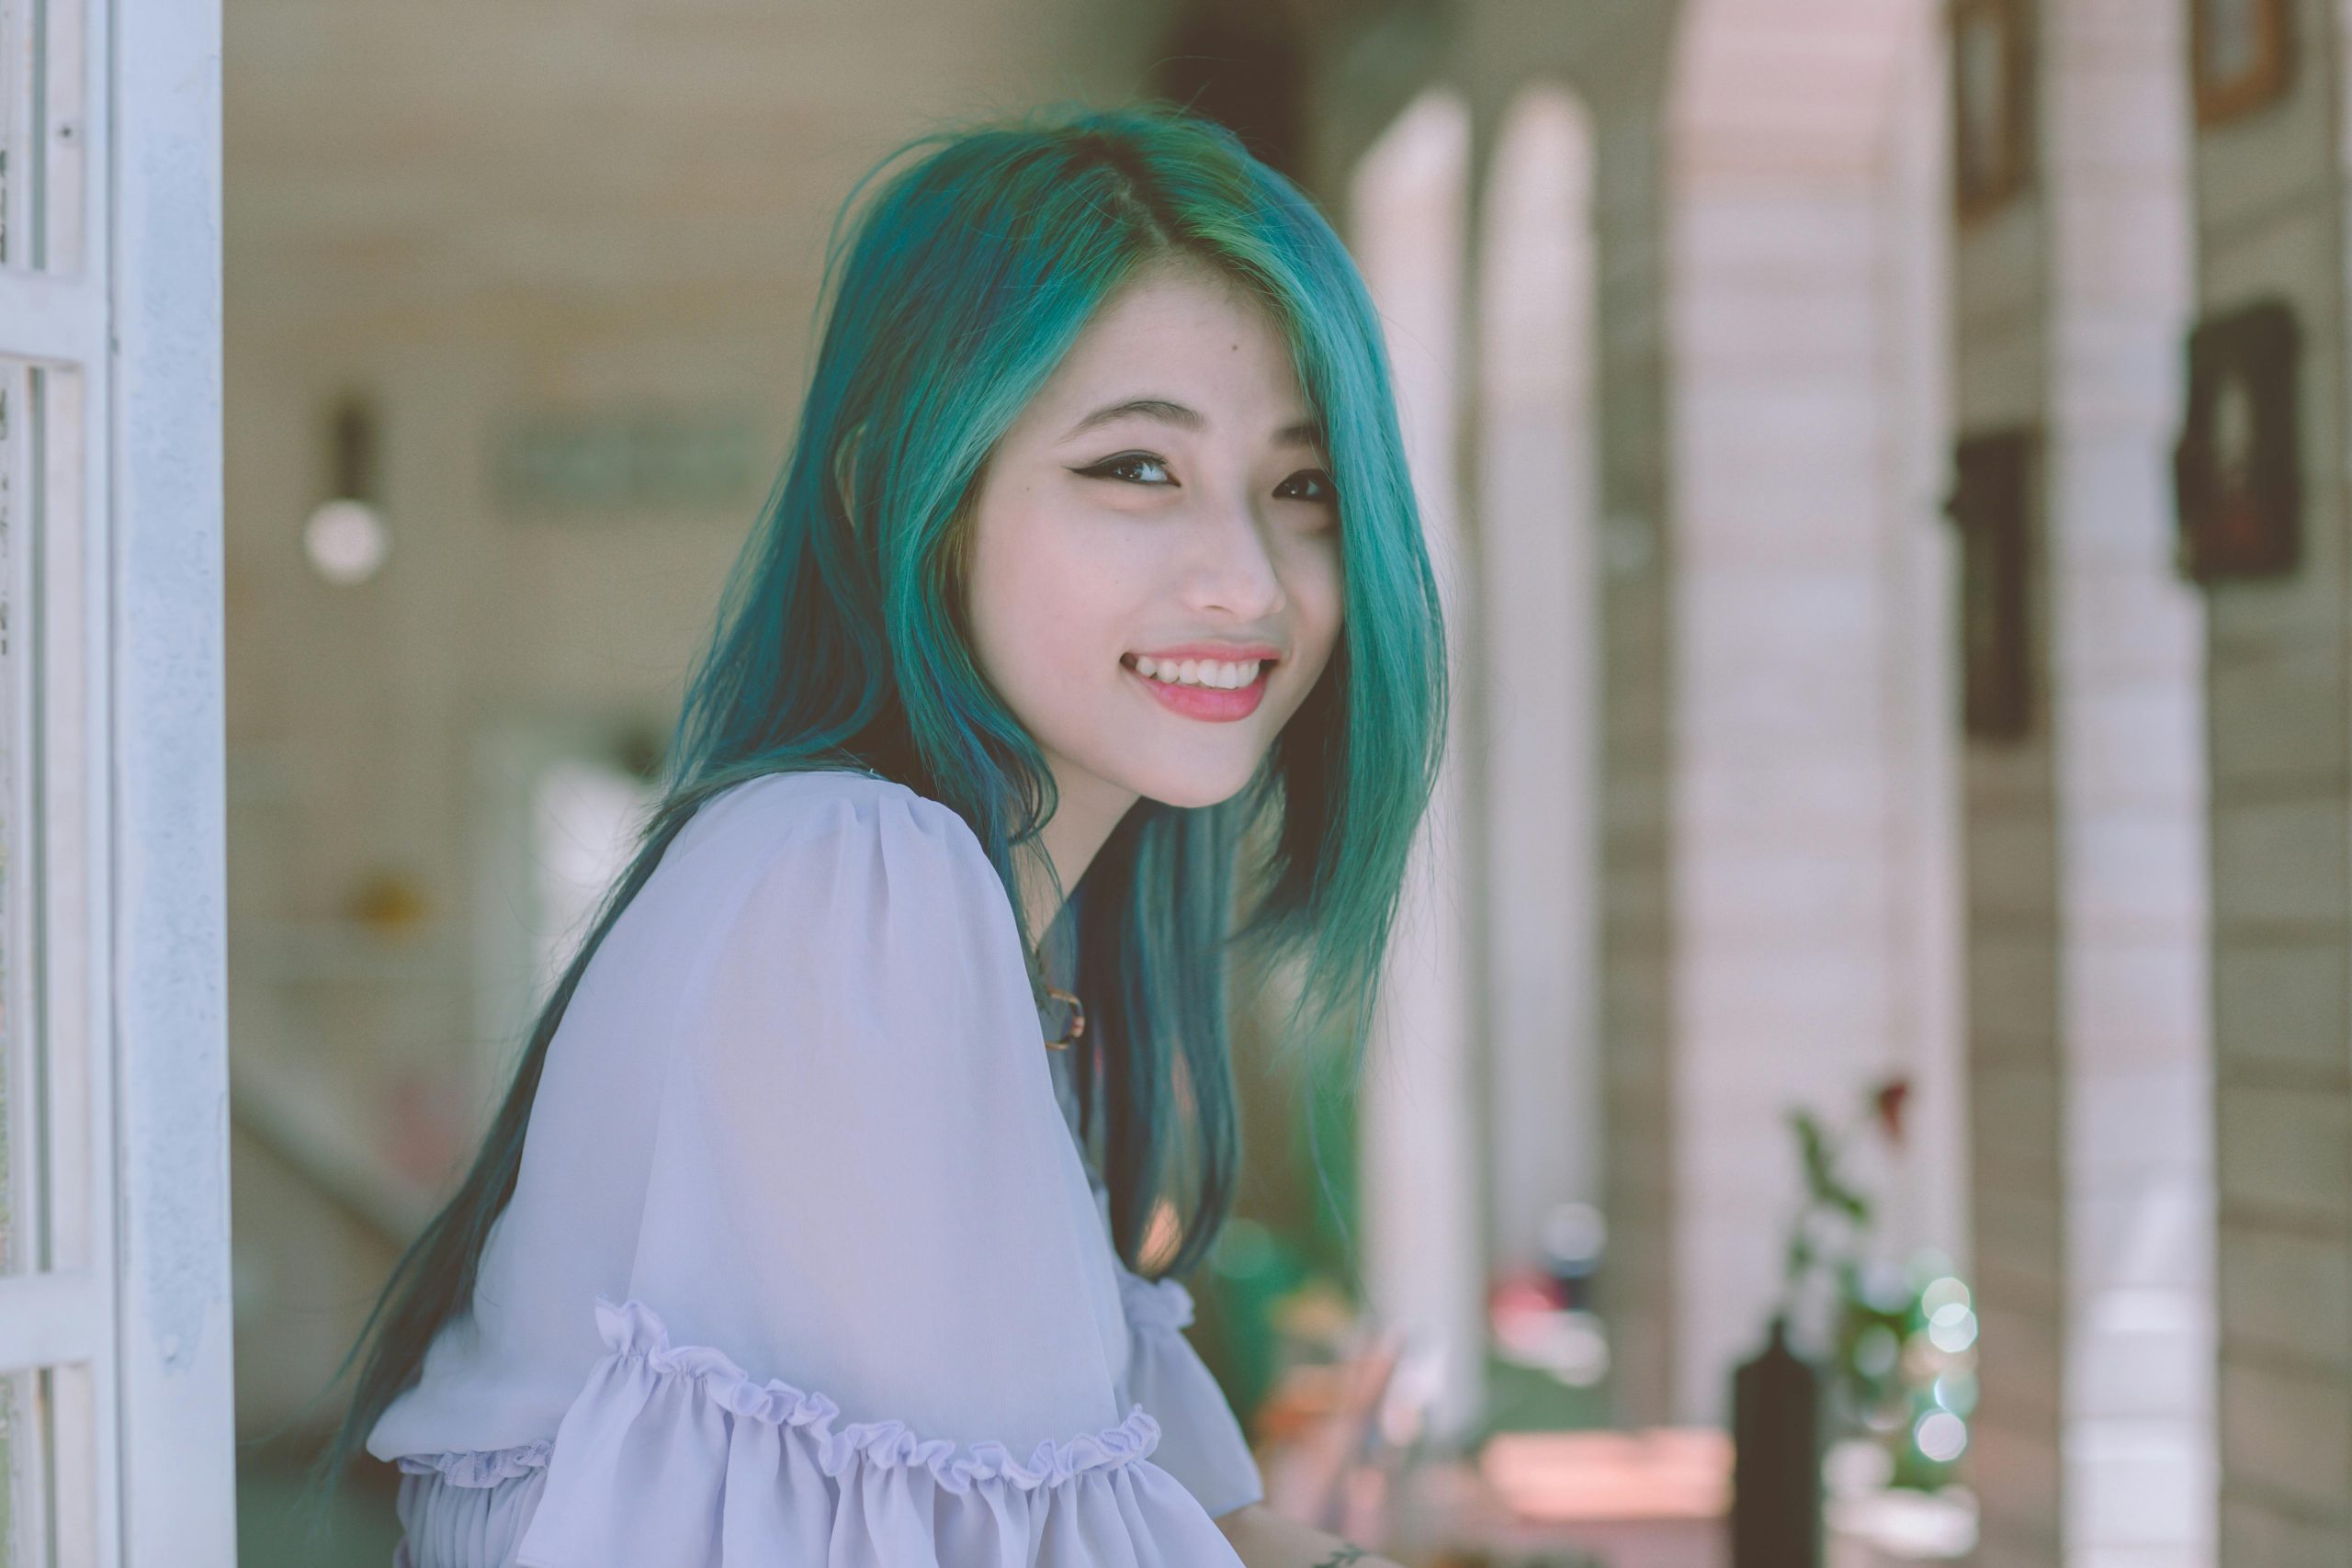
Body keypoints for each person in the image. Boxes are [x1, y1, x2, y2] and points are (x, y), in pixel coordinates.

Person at [318, 100, 1449, 1567]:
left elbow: (1191, 1533)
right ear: (908, 498)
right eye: (1135, 468)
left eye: (1301, 488)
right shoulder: (851, 888)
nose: (1246, 580)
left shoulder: (989, 935)